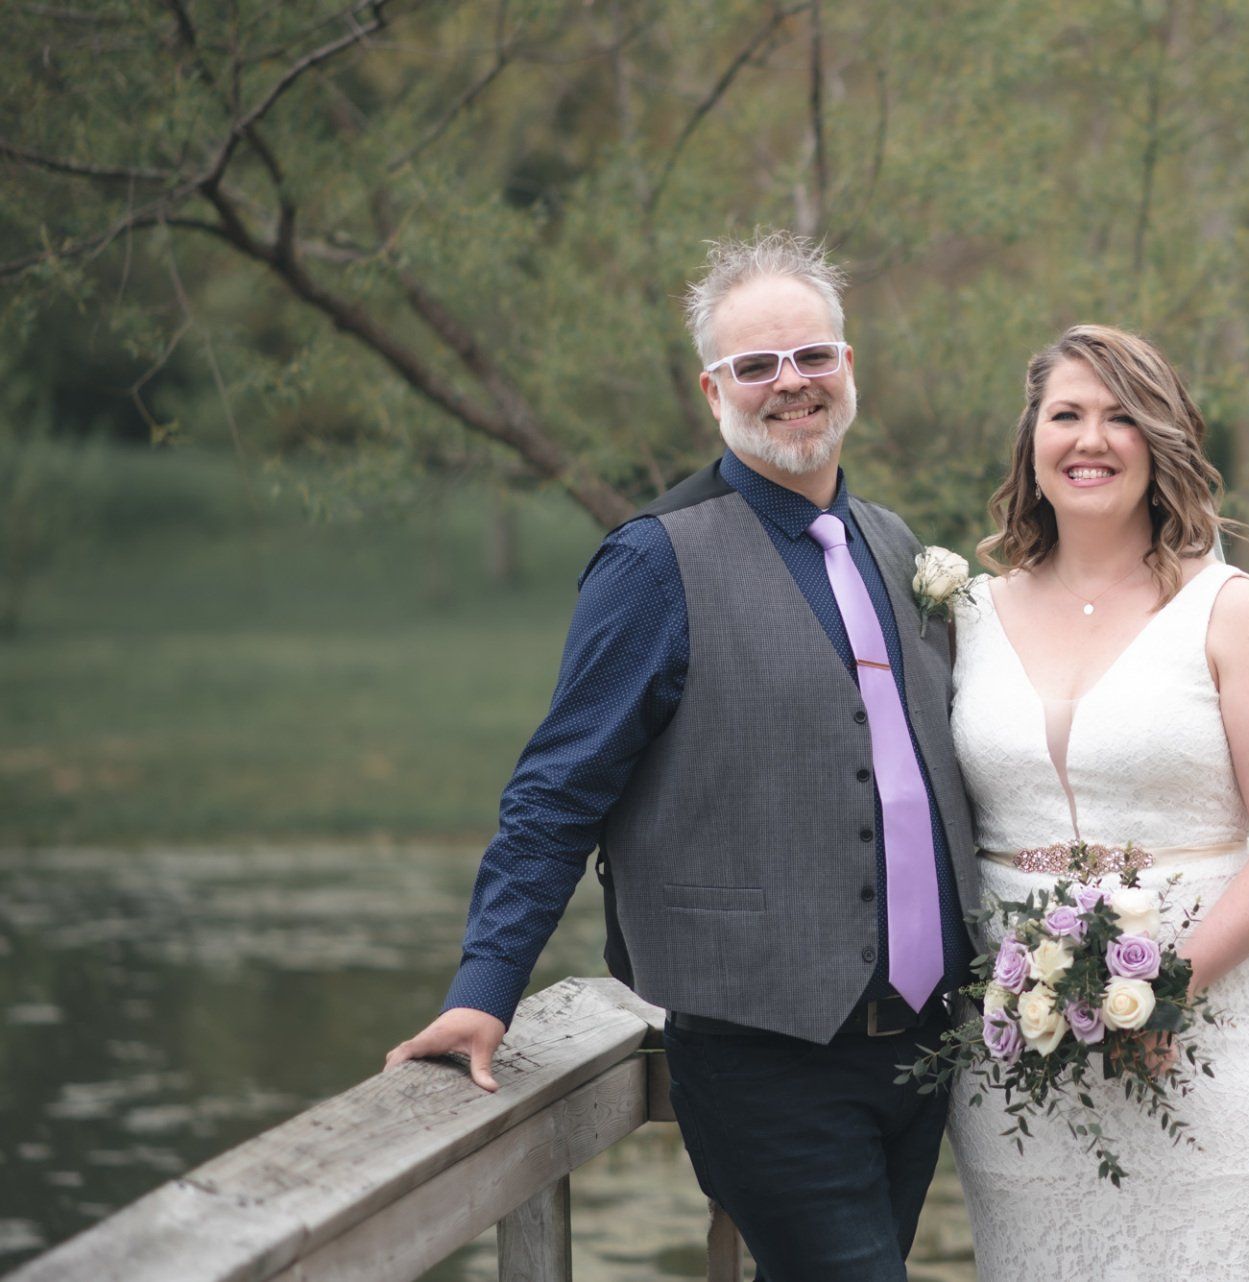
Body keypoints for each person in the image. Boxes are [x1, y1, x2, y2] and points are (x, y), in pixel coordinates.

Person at [384, 231, 978, 1282]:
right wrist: (485, 987)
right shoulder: (653, 562)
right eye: (757, 365)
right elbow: (555, 793)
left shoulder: (893, 542)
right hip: (765, 1057)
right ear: (714, 392)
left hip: (923, 1049)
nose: (789, 383)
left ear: (850, 368)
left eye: (812, 356)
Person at [946, 324, 1249, 1279]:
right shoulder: (965, 615)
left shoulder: (1228, 609)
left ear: (1160, 444)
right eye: (1068, 415)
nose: (1092, 439)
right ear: (1031, 445)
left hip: (1220, 1051)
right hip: (1019, 1057)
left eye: (1123, 417)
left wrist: (1168, 988)